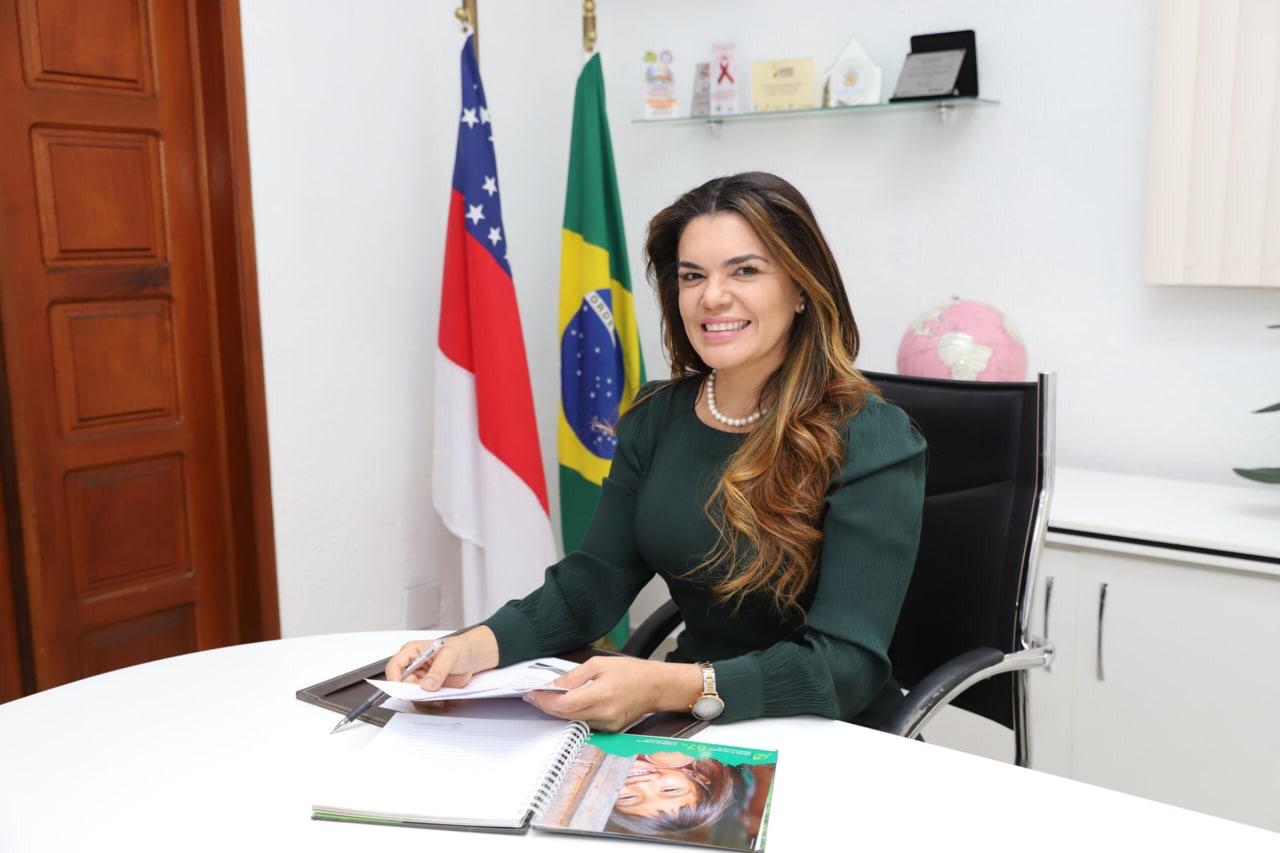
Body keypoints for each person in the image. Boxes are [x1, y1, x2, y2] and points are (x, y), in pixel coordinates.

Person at [387, 171, 926, 732]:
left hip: (830, 732)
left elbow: (843, 671)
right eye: (693, 275)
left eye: (745, 270)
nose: (712, 296)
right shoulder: (656, 417)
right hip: (692, 717)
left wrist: (663, 686)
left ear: (801, 288)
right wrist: (472, 645)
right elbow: (589, 588)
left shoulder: (872, 437)